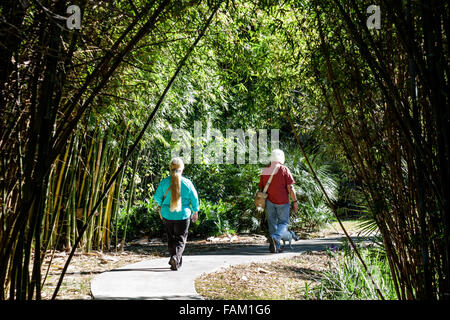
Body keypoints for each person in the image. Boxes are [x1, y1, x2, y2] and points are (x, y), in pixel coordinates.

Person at [154, 158, 199, 270]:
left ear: (170, 169)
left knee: (170, 238)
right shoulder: (187, 183)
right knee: (180, 238)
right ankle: (175, 258)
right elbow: (194, 199)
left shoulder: (164, 182)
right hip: (182, 215)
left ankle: (174, 258)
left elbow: (157, 198)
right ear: (182, 168)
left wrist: (162, 204)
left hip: (167, 215)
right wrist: (195, 211)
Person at [259, 149, 298, 253]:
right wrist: (295, 201)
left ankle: (276, 246)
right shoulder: (284, 169)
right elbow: (290, 187)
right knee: (284, 223)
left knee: (272, 224)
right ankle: (276, 237)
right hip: (283, 201)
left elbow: (261, 188)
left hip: (269, 201)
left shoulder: (265, 170)